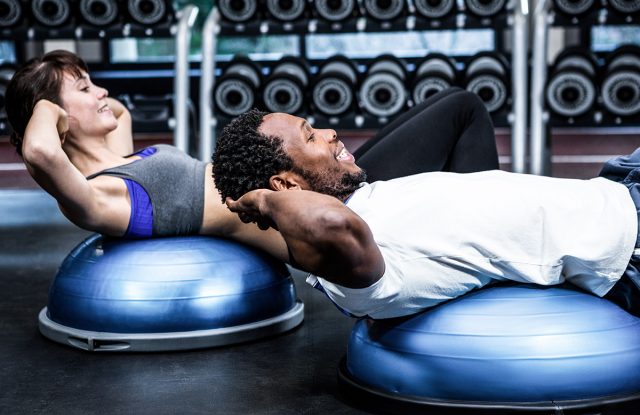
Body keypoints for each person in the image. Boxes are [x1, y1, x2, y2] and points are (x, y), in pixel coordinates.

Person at [4, 49, 498, 264]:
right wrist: (47, 105)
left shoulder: (117, 161)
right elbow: (42, 150)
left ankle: (467, 230)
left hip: (311, 185)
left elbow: (119, 111)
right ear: (55, 116)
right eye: (86, 89)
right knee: (462, 109)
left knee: (448, 103)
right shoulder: (98, 196)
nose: (102, 93)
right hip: (318, 216)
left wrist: (72, 95)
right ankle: (490, 243)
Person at [212, 109, 640, 319]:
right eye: (312, 137)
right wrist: (262, 201)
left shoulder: (366, 199)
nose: (329, 133)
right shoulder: (360, 267)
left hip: (616, 184)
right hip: (628, 237)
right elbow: (329, 224)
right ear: (287, 187)